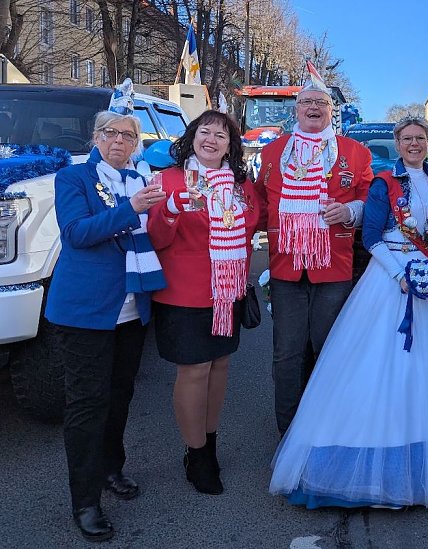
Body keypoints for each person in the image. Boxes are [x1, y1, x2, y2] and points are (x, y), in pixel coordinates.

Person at [269, 117, 428, 508]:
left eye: (420, 138)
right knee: (381, 363)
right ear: (398, 142)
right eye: (407, 138)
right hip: (391, 278)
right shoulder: (384, 183)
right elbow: (372, 237)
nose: (414, 144)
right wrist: (399, 276)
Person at [45, 79, 167, 542]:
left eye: (127, 135)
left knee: (120, 395)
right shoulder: (73, 178)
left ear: (136, 144)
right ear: (96, 138)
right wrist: (131, 208)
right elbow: (77, 233)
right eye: (110, 133)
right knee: (87, 405)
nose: (119, 141)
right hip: (85, 311)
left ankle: (111, 468)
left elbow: (156, 237)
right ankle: (85, 500)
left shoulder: (142, 181)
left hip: (131, 308)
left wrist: (172, 213)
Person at [147, 109, 266, 494]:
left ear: (230, 147)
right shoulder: (169, 179)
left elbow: (256, 223)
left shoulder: (241, 186)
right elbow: (156, 239)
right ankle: (195, 453)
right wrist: (171, 208)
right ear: (192, 137)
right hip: (185, 292)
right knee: (195, 370)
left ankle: (209, 444)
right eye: (204, 132)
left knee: (219, 366)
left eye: (221, 135)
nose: (211, 140)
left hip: (228, 291)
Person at [255, 61, 373, 435]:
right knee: (287, 354)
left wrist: (350, 211)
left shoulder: (356, 152)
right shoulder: (273, 152)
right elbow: (258, 204)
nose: (314, 107)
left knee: (330, 350)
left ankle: (328, 430)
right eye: (307, 101)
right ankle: (289, 434)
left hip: (333, 267)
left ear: (331, 111)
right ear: (296, 109)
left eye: (321, 103)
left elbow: (370, 200)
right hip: (286, 267)